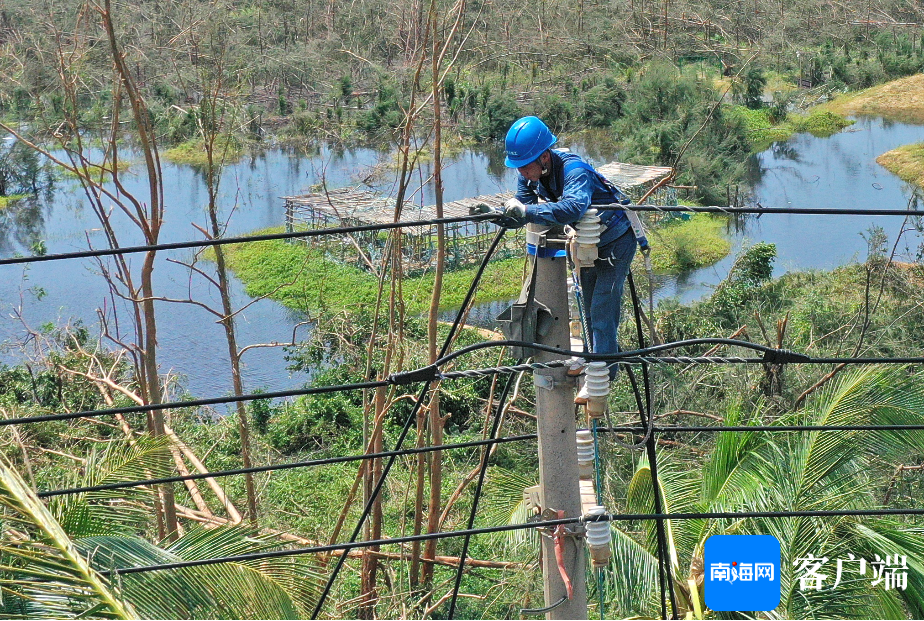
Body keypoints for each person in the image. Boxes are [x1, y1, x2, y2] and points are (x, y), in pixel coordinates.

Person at [472, 116, 638, 398]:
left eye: (526, 166)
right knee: (588, 307)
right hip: (588, 243)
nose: (523, 172)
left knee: (602, 309)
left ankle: (603, 372)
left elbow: (572, 208)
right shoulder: (530, 175)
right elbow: (523, 212)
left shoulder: (575, 171)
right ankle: (592, 356)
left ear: (544, 156)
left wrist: (526, 211)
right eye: (519, 167)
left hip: (616, 241)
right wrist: (497, 215)